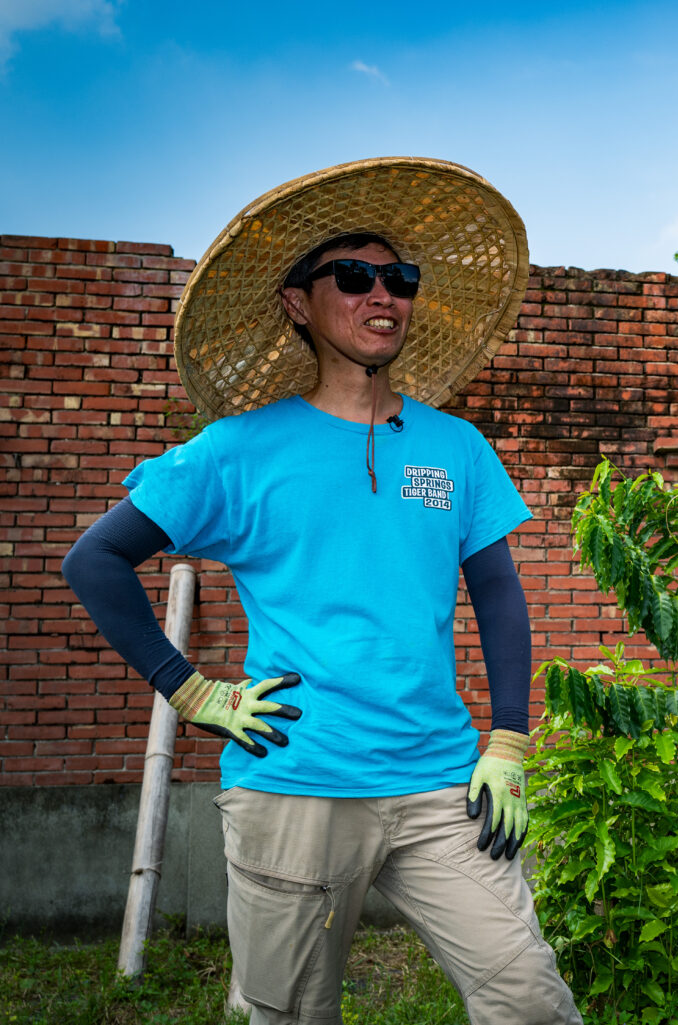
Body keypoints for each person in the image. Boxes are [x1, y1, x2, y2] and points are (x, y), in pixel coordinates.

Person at [62, 158, 582, 1025]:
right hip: (294, 781)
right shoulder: (237, 450)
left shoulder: (454, 447)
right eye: (354, 275)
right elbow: (95, 560)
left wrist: (510, 743)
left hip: (441, 784)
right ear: (299, 303)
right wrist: (191, 691)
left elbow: (497, 591)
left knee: (529, 998)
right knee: (292, 1015)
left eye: (399, 277)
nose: (383, 295)